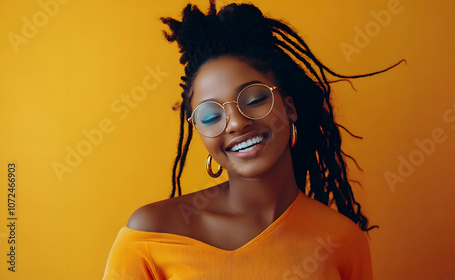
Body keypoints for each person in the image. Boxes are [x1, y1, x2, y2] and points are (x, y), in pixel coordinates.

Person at [102, 1, 404, 279]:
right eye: (210, 116)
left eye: (254, 98)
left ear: (289, 108)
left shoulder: (342, 239)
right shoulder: (151, 235)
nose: (236, 122)